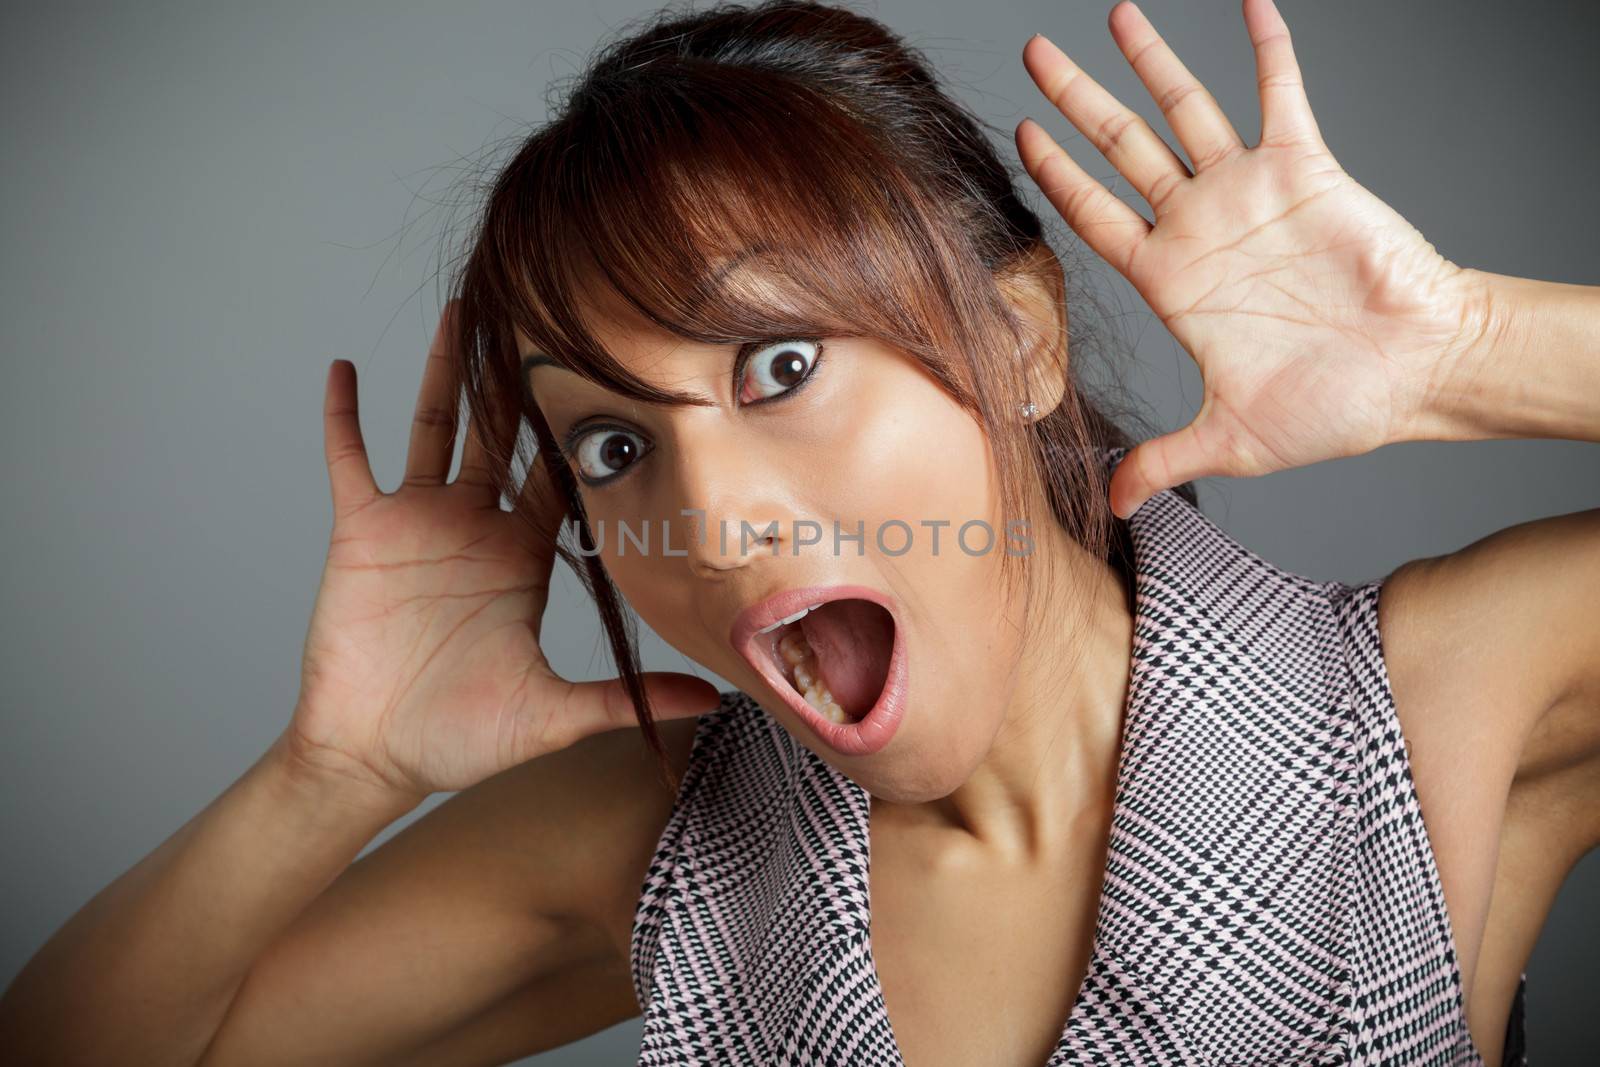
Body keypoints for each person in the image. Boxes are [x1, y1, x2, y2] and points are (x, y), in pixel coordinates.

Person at [1, 0, 1593, 1064]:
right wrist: (335, 773)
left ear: (1023, 344)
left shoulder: (1438, 700)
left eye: (779, 365)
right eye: (616, 443)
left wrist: (1464, 348)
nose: (709, 515)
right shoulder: (659, 845)